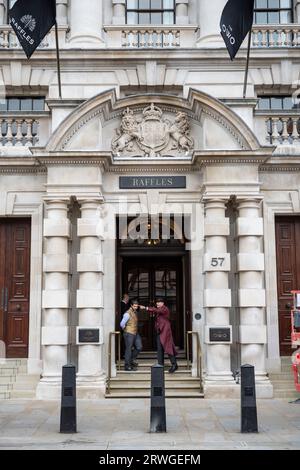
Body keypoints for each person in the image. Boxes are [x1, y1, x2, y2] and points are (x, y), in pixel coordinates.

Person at [140, 298, 178, 373]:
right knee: (160, 349)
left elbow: (157, 311)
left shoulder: (164, 309)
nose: (157, 304)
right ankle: (160, 365)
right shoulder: (159, 309)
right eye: (157, 302)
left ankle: (174, 365)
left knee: (168, 348)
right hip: (160, 332)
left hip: (166, 332)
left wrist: (146, 308)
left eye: (159, 302)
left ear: (163, 303)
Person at [120, 299, 142, 371]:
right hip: (129, 333)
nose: (136, 307)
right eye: (134, 306)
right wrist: (126, 330)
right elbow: (121, 324)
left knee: (139, 347)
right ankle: (127, 366)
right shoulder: (127, 313)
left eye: (136, 306)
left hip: (135, 332)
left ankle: (131, 360)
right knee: (128, 349)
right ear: (131, 305)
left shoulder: (135, 312)